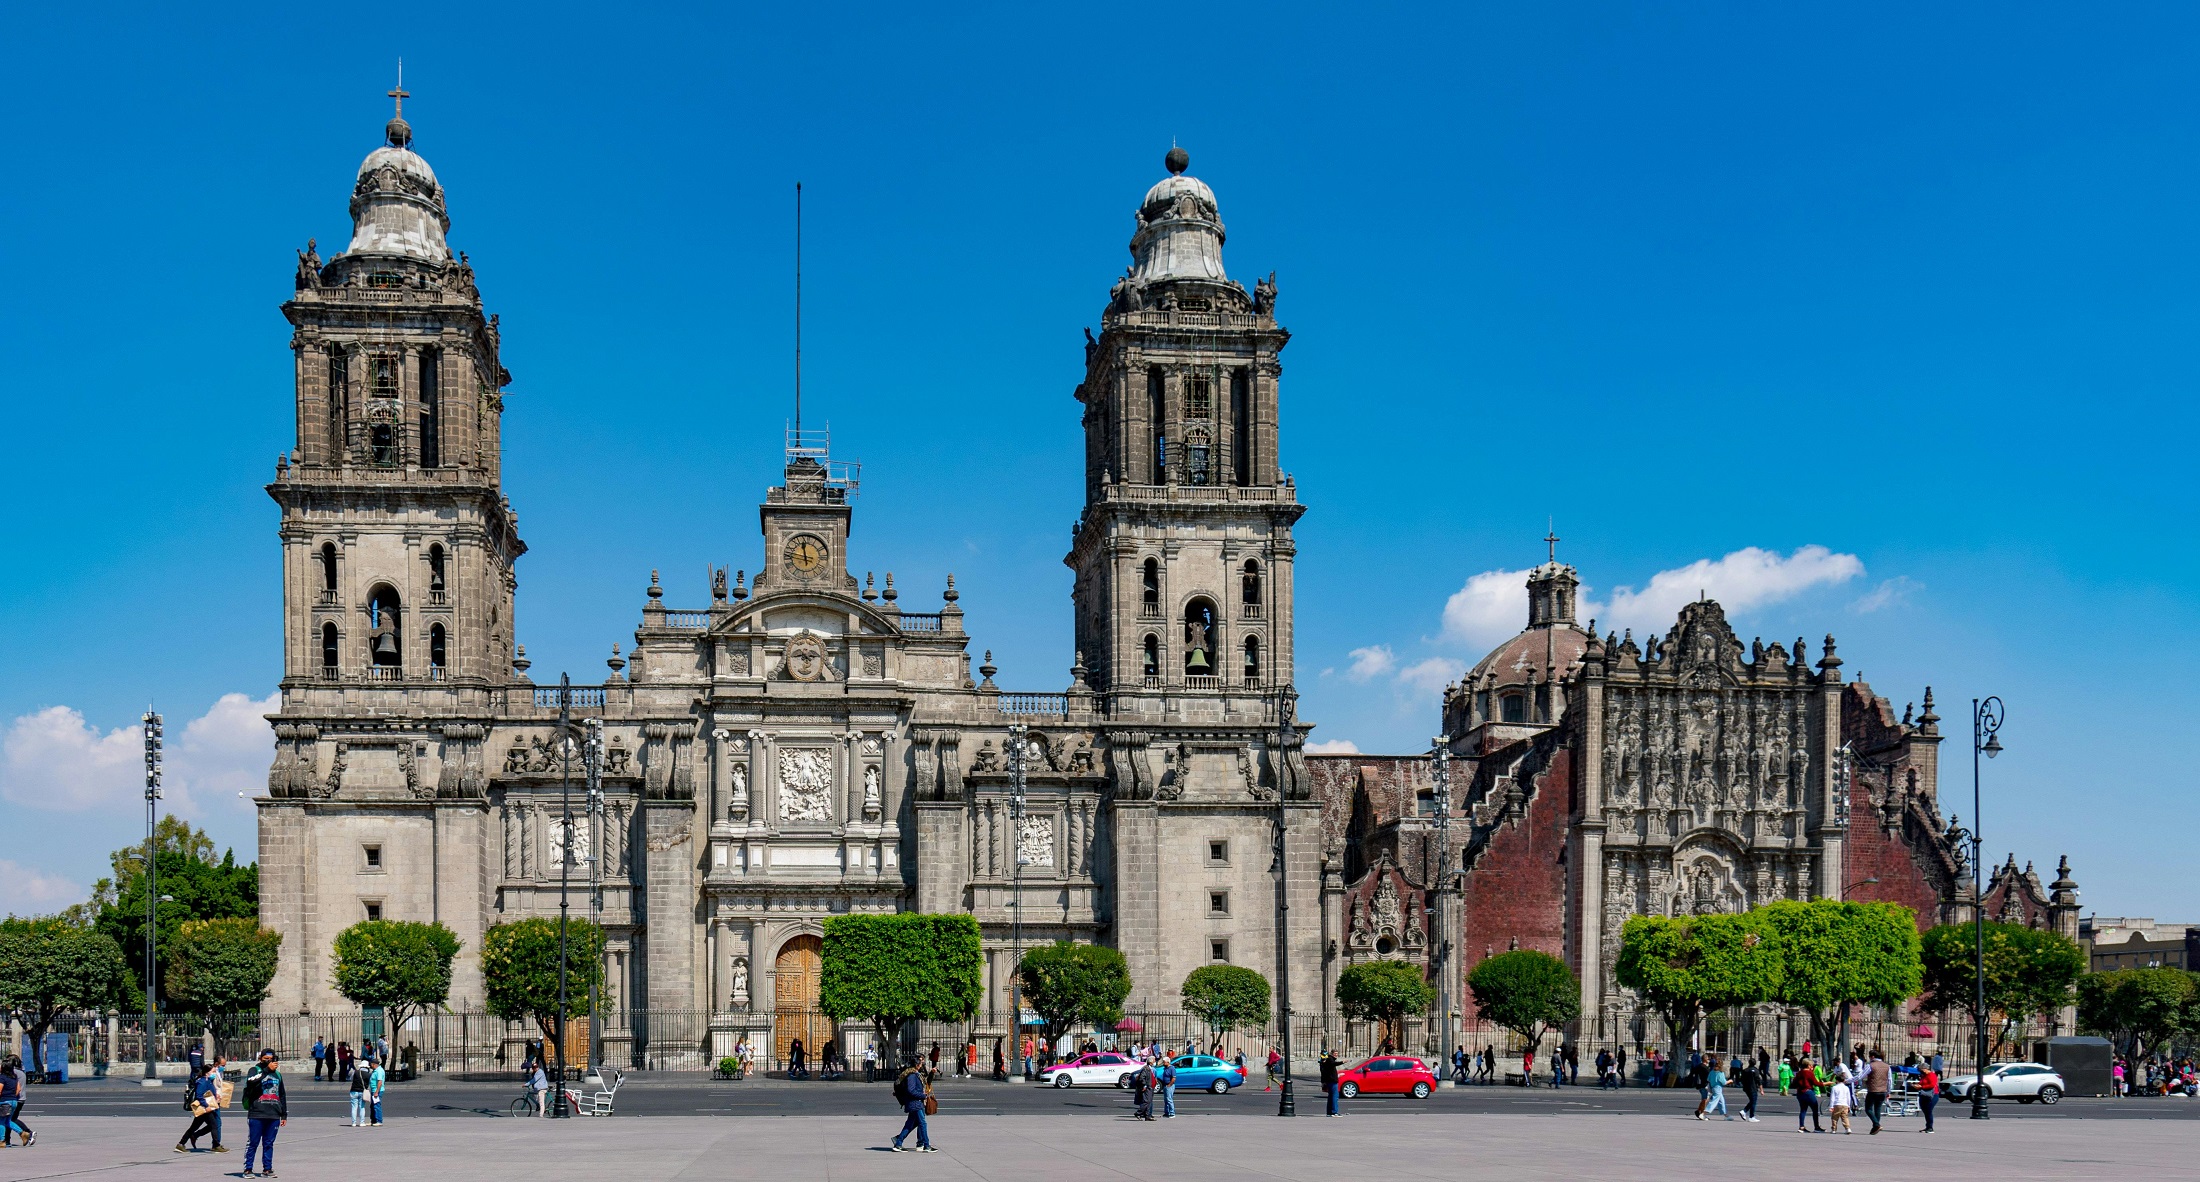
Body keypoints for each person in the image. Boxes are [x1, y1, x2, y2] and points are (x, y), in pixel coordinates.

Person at [241, 1050, 287, 1178]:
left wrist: (283, 1114)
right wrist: (266, 1070)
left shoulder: (277, 1074)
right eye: (266, 1058)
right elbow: (250, 1082)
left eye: (271, 1058)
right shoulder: (254, 1070)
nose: (269, 1060)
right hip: (257, 1112)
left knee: (269, 1143)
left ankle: (267, 1168)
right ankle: (248, 1169)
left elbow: (282, 1094)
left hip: (273, 1113)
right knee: (253, 1142)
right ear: (261, 1058)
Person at [179, 1056, 230, 1152]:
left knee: (195, 1127)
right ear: (207, 1072)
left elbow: (209, 1092)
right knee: (214, 1125)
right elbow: (199, 1096)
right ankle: (216, 1145)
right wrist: (207, 1106)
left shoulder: (207, 1080)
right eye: (213, 1072)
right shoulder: (202, 1082)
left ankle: (181, 1143)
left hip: (208, 1106)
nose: (214, 1073)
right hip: (205, 1108)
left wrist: (216, 1097)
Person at [888, 1061, 935, 1151]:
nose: (922, 1065)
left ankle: (898, 1143)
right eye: (921, 1063)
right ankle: (926, 1145)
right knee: (922, 1123)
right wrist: (923, 1095)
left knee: (910, 1124)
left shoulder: (916, 1074)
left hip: (916, 1103)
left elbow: (926, 1082)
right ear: (916, 1065)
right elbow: (911, 1090)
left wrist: (932, 1073)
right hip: (915, 1103)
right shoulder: (912, 1076)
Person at [0, 1056, 31, 1147]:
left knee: (1, 1121)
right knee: (8, 1121)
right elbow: (18, 1090)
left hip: (4, 1101)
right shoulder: (14, 1077)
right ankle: (23, 1133)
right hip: (14, 1101)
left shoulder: (2, 1077)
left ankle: (2, 1141)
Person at [1863, 1051, 1891, 1135]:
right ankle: (1875, 1127)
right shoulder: (1887, 1066)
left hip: (1873, 1090)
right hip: (1883, 1091)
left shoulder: (1870, 1065)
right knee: (1877, 1109)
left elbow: (1861, 1076)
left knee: (1868, 1109)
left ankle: (1876, 1124)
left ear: (1872, 1057)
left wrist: (1849, 1080)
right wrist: (1888, 1091)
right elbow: (1889, 1080)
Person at [1794, 1057, 1825, 1132]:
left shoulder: (1799, 1073)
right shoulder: (1809, 1073)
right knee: (1815, 1109)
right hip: (1808, 1092)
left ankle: (1801, 1127)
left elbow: (1794, 1083)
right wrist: (1826, 1083)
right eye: (1811, 1065)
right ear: (1808, 1065)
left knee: (1803, 1110)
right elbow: (1816, 1083)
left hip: (1800, 1093)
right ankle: (1816, 1127)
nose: (1812, 1067)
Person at [348, 1052, 372, 1126]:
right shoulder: (369, 1074)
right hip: (362, 1091)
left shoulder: (355, 1072)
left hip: (353, 1091)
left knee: (354, 1107)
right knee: (362, 1107)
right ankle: (362, 1122)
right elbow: (369, 1083)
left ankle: (353, 1123)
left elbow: (351, 1078)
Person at [1737, 1056, 1762, 1122]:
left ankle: (1745, 1112)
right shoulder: (1756, 1070)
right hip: (1753, 1088)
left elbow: (1741, 1079)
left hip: (1746, 1088)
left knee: (1752, 1101)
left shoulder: (1745, 1070)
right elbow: (1758, 1080)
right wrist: (1761, 1090)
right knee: (1753, 1102)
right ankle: (1750, 1116)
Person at [1917, 1061, 1940, 1133]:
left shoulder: (1932, 1075)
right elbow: (1921, 1082)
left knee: (1929, 1110)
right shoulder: (1924, 1076)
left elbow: (1932, 1085)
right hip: (1924, 1094)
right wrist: (1917, 1085)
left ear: (1925, 1069)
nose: (1921, 1071)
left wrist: (1922, 1086)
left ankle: (1930, 1127)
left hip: (1932, 1095)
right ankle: (1927, 1126)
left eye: (1921, 1070)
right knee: (1925, 1111)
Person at [1320, 1048, 1342, 1117]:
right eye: (1335, 1054)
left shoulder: (1326, 1061)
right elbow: (1334, 1064)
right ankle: (1334, 1112)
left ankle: (1329, 1112)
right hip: (1332, 1081)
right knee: (1334, 1096)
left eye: (1337, 1054)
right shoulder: (1330, 1060)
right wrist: (1343, 1062)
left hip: (1329, 1080)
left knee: (1331, 1096)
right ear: (1332, 1054)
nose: (1336, 1055)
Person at [367, 1054, 386, 1126]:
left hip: (377, 1091)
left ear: (374, 1064)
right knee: (372, 1105)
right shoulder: (376, 1070)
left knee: (376, 1105)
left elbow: (380, 1082)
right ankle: (373, 1120)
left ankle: (379, 1120)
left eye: (371, 1064)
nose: (370, 1066)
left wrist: (376, 1092)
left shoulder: (379, 1071)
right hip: (373, 1090)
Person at [1159, 1054, 1178, 1118]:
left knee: (1169, 1099)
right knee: (1166, 1100)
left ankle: (1172, 1113)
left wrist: (1169, 1084)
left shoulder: (1172, 1068)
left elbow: (1173, 1078)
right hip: (1165, 1085)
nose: (1163, 1063)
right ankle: (1166, 1112)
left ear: (1168, 1062)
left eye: (1164, 1062)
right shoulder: (1165, 1068)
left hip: (1169, 1086)